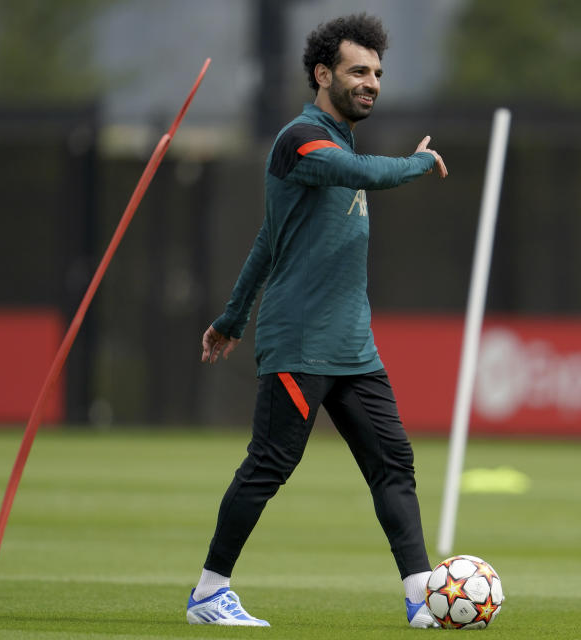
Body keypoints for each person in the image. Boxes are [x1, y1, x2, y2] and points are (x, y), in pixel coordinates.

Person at [185, 13, 448, 629]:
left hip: (354, 346)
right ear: (322, 74)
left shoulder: (339, 139)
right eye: (358, 71)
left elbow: (266, 241)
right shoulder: (299, 139)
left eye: (378, 73)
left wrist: (228, 319)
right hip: (300, 342)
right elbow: (360, 177)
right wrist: (414, 164)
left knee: (394, 464)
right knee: (270, 465)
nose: (372, 82)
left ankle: (420, 598)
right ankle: (208, 593)